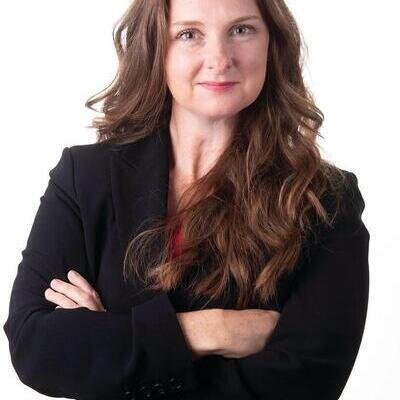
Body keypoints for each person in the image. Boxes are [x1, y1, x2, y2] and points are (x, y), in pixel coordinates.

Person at [3, 0, 370, 399]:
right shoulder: (85, 177)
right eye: (189, 34)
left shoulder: (324, 200)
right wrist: (214, 330)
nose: (220, 59)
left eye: (242, 30)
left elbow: (305, 385)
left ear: (273, 42)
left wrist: (109, 343)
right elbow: (35, 346)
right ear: (156, 48)